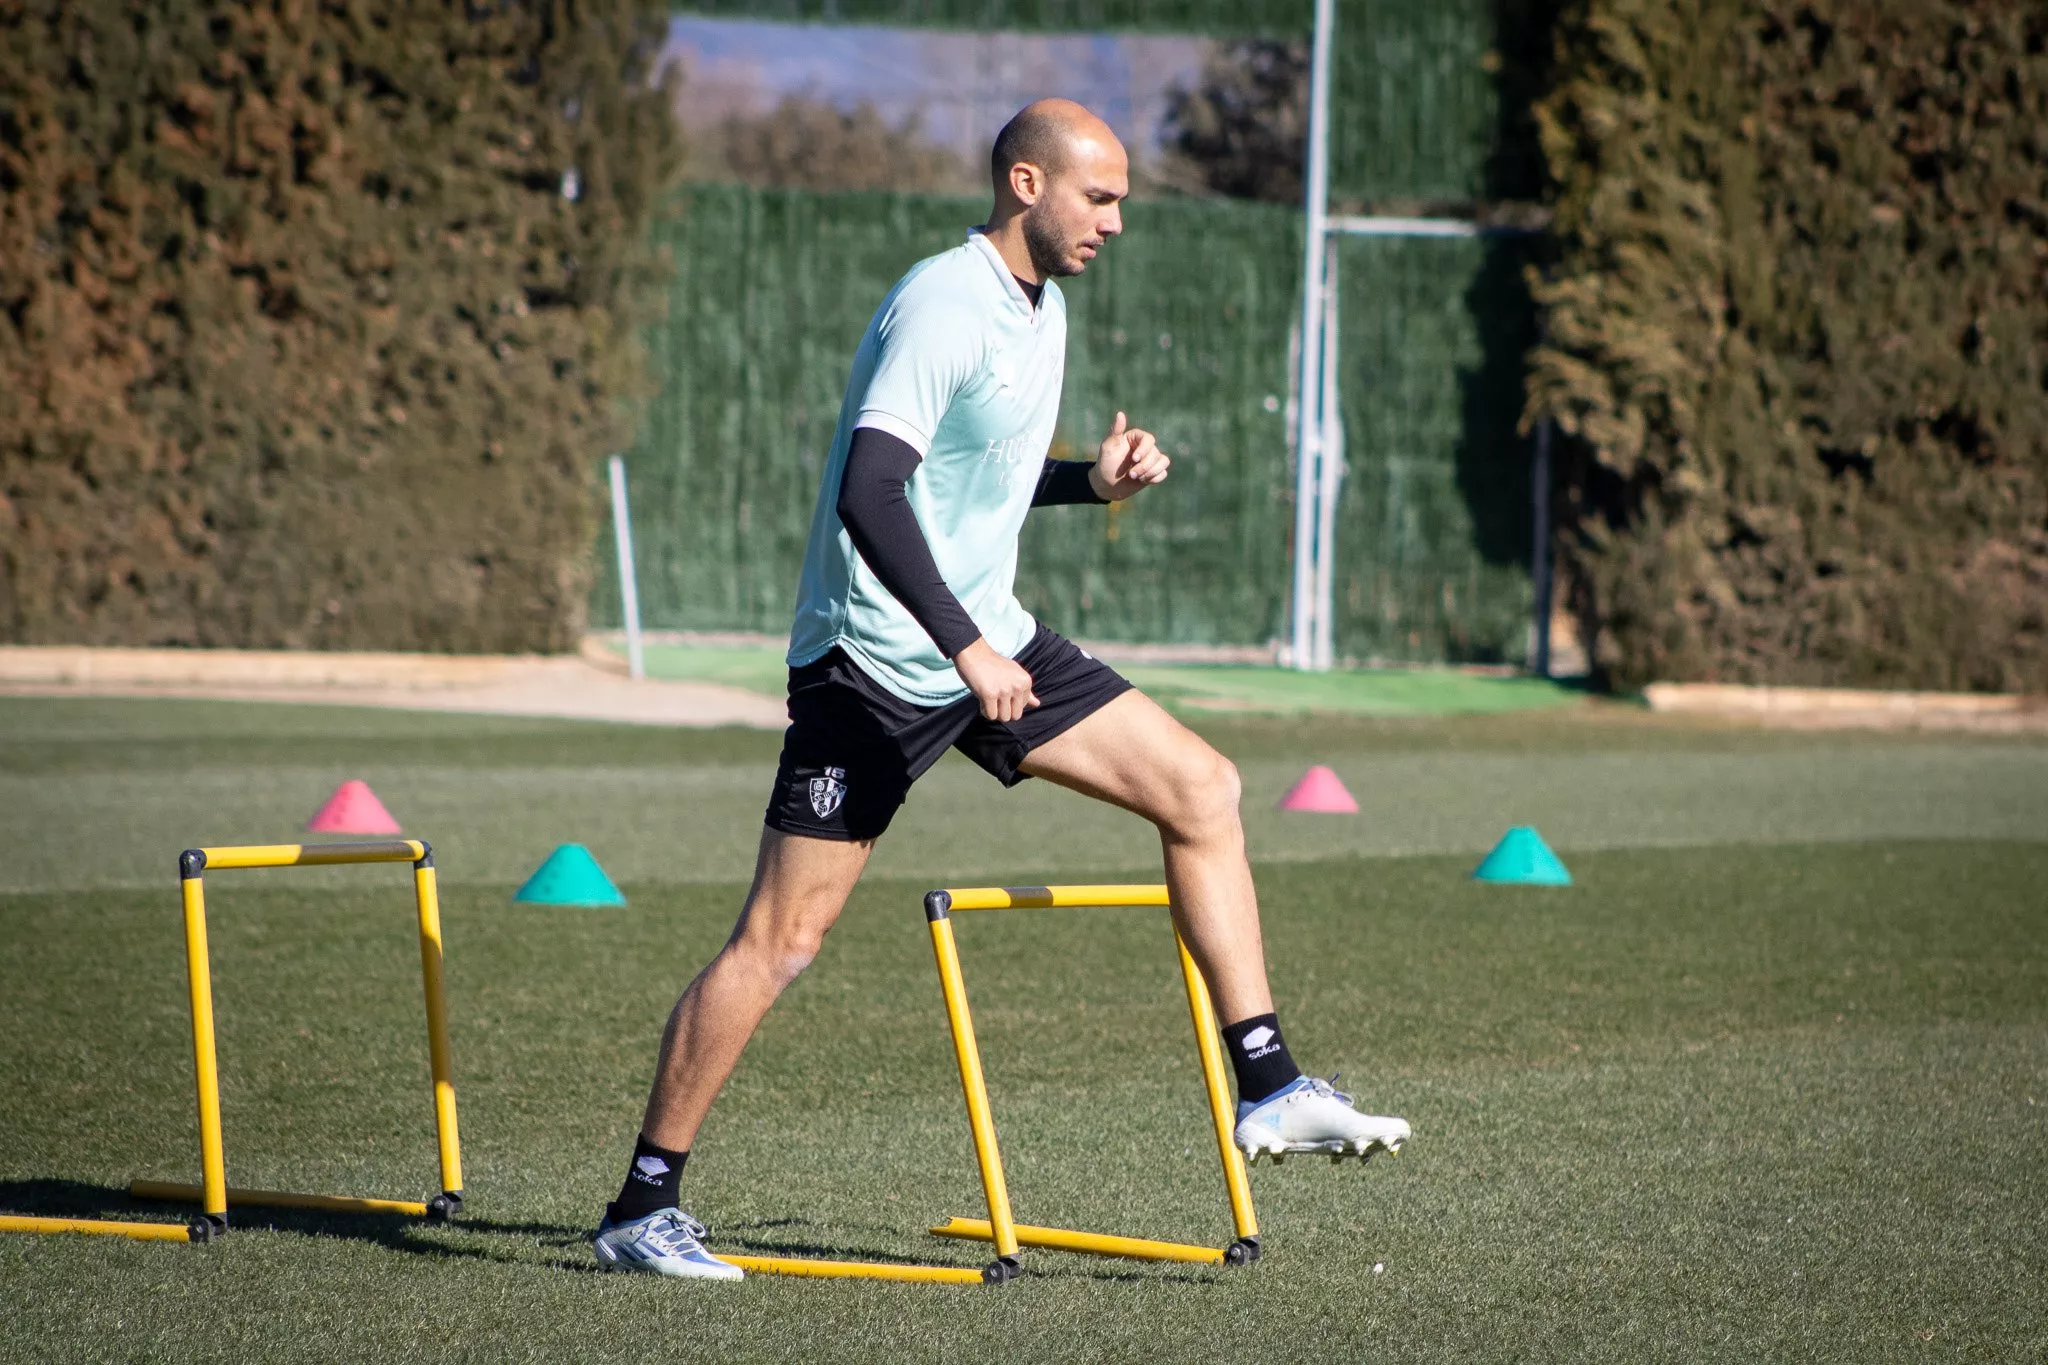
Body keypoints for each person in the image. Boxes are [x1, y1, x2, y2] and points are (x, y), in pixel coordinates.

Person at [593, 99, 1410, 1279]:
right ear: (1026, 184)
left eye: (1120, 201)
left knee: (1203, 789)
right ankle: (640, 1207)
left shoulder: (1045, 310)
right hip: (873, 662)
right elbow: (870, 490)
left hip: (993, 639)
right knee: (781, 940)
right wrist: (964, 649)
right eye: (1099, 196)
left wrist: (1092, 484)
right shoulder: (942, 299)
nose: (1114, 221)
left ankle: (1269, 1084)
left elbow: (980, 475)